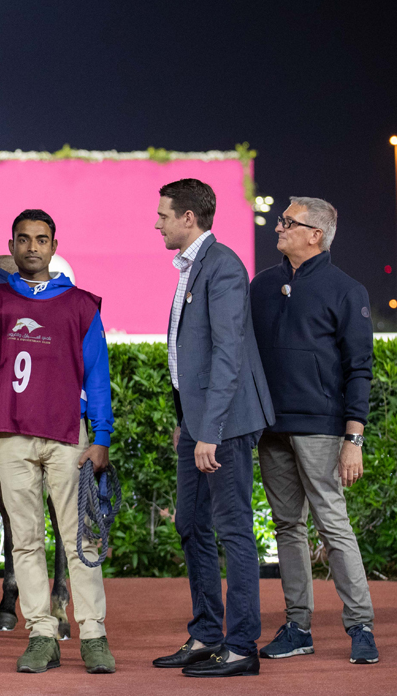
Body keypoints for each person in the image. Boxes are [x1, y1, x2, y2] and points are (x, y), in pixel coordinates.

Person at [0, 209, 117, 675]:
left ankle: (93, 635)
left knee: (79, 541)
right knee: (25, 543)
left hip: (68, 438)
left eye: (41, 239)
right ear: (11, 247)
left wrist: (102, 437)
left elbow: (98, 376)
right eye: (24, 239)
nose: (33, 247)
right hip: (9, 437)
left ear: (53, 246)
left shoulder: (82, 305)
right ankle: (42, 635)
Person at [150, 179, 274, 678]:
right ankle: (206, 634)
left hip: (223, 426)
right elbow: (191, 356)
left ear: (189, 218)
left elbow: (228, 355)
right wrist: (188, 423)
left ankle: (242, 647)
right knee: (190, 524)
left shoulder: (222, 267)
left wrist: (211, 431)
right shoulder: (191, 266)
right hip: (197, 423)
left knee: (234, 531)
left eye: (163, 214)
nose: (156, 221)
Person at [251, 197, 379, 665]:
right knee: (287, 527)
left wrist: (353, 438)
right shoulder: (261, 285)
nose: (279, 227)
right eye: (282, 220)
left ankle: (360, 625)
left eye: (289, 222)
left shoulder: (347, 290)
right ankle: (297, 626)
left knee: (333, 525)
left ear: (315, 234)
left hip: (323, 431)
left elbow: (359, 369)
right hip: (270, 429)